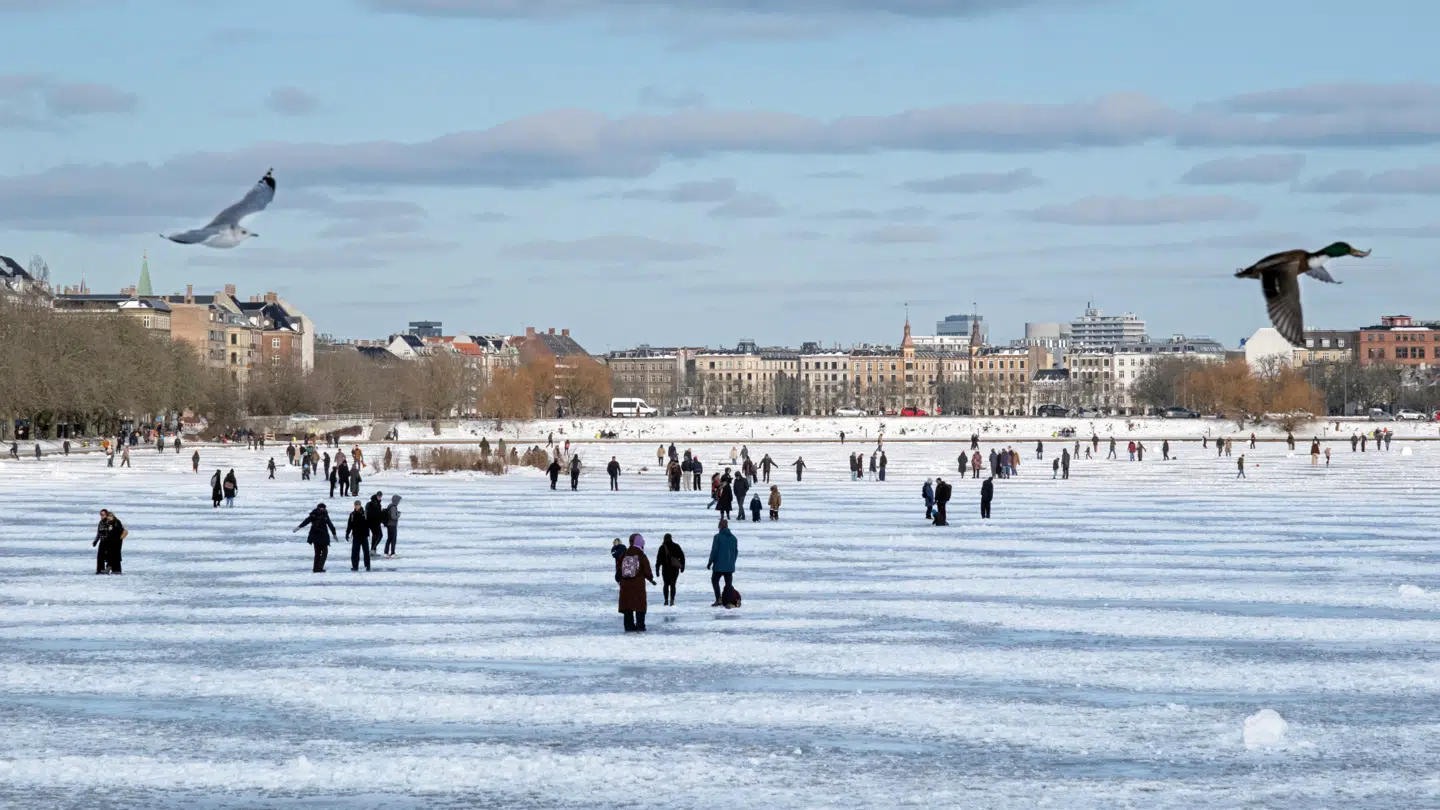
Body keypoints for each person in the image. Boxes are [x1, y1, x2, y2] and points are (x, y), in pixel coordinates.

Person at [617, 533, 656, 632]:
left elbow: (618, 570)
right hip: (638, 585)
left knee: (628, 608)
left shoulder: (624, 554)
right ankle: (640, 626)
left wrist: (620, 580)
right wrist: (650, 578)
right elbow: (647, 571)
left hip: (625, 586)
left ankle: (629, 627)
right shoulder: (641, 555)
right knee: (639, 606)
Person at [293, 503, 336, 572]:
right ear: (319, 508)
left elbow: (330, 524)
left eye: (323, 508)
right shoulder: (322, 514)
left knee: (318, 553)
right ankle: (319, 568)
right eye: (322, 508)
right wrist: (299, 527)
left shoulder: (315, 514)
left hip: (316, 537)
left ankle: (316, 568)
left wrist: (334, 533)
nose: (322, 509)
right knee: (324, 552)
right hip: (321, 537)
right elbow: (306, 521)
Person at [707, 520, 738, 608]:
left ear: (720, 526)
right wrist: (732, 562)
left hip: (719, 565)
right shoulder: (734, 538)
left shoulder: (717, 537)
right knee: (728, 584)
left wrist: (710, 562)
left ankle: (718, 599)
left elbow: (714, 551)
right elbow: (735, 552)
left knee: (715, 580)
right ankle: (728, 602)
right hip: (729, 565)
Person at [93, 509, 126, 574]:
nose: (102, 516)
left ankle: (116, 570)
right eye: (100, 515)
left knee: (113, 555)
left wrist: (118, 538)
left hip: (111, 541)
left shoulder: (113, 522)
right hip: (105, 541)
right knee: (101, 556)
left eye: (103, 515)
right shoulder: (101, 522)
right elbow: (99, 533)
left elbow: (118, 531)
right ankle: (100, 569)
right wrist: (96, 541)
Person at [656, 533, 685, 607]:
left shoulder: (662, 547)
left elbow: (658, 560)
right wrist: (682, 567)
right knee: (673, 584)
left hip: (665, 569)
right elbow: (682, 557)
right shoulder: (676, 546)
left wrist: (657, 570)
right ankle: (672, 600)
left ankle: (666, 600)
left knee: (666, 584)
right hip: (674, 569)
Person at [345, 500, 371, 571]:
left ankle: (368, 565)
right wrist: (347, 533)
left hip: (364, 535)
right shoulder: (352, 514)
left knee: (366, 552)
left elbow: (370, 523)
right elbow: (349, 525)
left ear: (360, 505)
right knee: (355, 552)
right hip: (356, 536)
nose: (357, 506)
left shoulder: (365, 513)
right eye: (356, 505)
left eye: (358, 505)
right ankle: (355, 566)